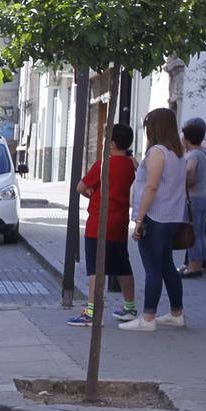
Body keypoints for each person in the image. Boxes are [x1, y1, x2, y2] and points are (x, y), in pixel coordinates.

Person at [120, 107, 187, 332]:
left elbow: (151, 186)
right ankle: (177, 313)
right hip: (173, 217)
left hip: (156, 217)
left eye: (148, 124)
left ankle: (148, 317)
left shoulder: (157, 152)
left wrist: (139, 220)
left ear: (155, 127)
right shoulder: (178, 153)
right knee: (167, 266)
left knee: (152, 268)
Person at [68, 125, 138, 326]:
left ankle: (91, 312)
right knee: (122, 265)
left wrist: (89, 190)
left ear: (113, 143)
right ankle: (130, 307)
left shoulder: (102, 165)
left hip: (99, 223)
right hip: (120, 223)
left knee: (95, 269)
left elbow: (80, 187)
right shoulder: (130, 165)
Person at [181, 118, 206, 278]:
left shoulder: (193, 154)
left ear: (187, 138)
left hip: (195, 198)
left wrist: (184, 183)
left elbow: (190, 172)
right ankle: (199, 264)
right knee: (200, 232)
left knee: (194, 232)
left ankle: (193, 266)